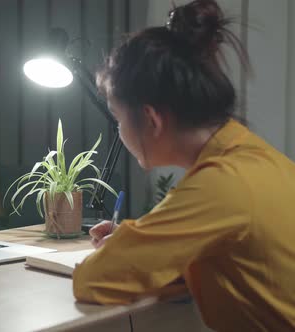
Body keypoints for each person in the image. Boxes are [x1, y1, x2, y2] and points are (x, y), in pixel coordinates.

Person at [72, 0, 295, 330]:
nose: (118, 131)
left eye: (118, 118)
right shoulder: (255, 158)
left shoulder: (220, 185)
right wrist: (151, 242)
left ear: (151, 119)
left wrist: (131, 245)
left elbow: (94, 279)